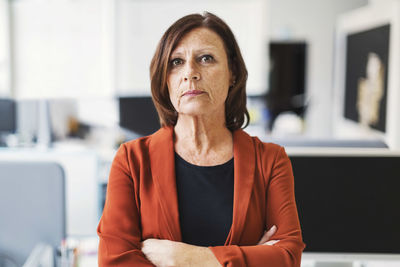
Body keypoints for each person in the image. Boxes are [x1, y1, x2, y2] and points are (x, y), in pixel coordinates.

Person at [97, 12, 305, 267]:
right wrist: (250, 257)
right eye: (176, 62)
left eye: (206, 58)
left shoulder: (270, 161)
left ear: (233, 74)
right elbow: (115, 262)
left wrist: (191, 258)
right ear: (165, 80)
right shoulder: (132, 161)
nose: (190, 73)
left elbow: (287, 258)